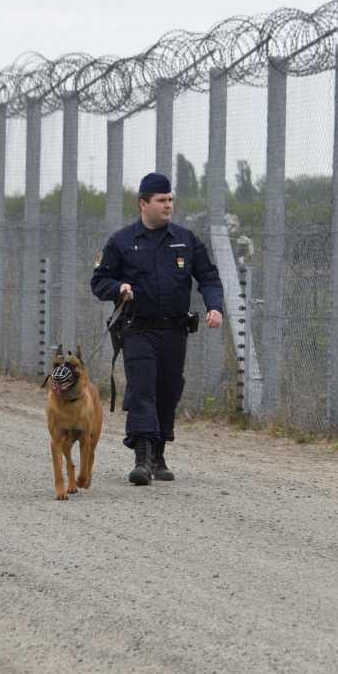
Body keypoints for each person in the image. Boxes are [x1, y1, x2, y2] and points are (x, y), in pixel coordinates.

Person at [90, 172, 224, 485]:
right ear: (143, 204)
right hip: (138, 329)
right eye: (161, 200)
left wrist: (215, 306)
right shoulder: (122, 242)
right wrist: (119, 286)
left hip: (174, 330)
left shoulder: (185, 240)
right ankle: (141, 457)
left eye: (170, 200)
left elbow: (208, 277)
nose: (168, 205)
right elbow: (98, 281)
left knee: (168, 390)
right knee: (142, 389)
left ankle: (159, 453)